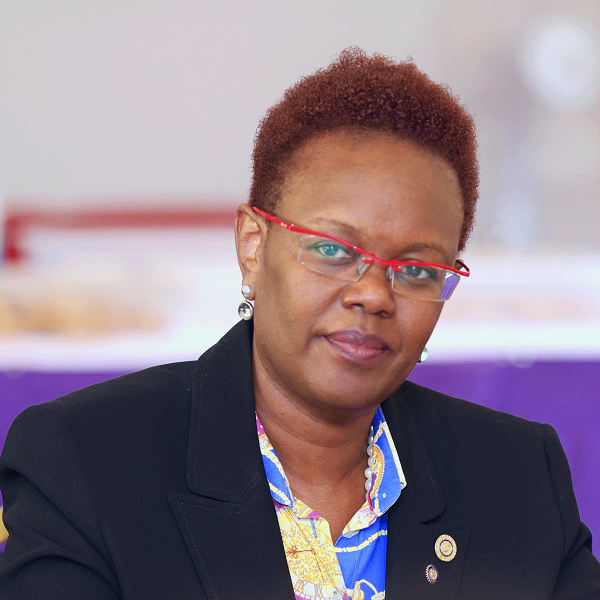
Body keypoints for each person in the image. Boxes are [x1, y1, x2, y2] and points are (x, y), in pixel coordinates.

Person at [0, 47, 598, 600]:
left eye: (416, 269)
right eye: (333, 250)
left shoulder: (517, 476)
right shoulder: (88, 462)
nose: (373, 295)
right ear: (253, 245)